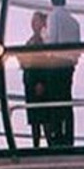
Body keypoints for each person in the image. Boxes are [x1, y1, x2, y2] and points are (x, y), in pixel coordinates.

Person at [45, 0, 80, 147]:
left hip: (56, 63)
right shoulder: (73, 21)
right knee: (67, 99)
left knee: (55, 100)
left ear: (52, 0)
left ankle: (57, 136)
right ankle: (69, 136)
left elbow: (52, 41)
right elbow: (77, 49)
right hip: (69, 65)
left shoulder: (54, 17)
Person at [21, 11, 50, 147]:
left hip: (38, 82)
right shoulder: (31, 40)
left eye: (36, 20)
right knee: (34, 119)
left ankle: (49, 145)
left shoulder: (44, 40)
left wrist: (41, 82)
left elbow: (45, 61)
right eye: (32, 21)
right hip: (30, 81)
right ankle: (36, 145)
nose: (33, 23)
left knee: (44, 117)